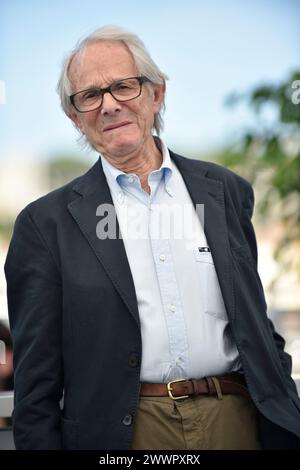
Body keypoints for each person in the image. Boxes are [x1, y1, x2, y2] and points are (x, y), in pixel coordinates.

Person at [4, 25, 300, 450]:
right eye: (89, 96)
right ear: (75, 117)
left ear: (156, 94)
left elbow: (255, 321)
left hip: (237, 419)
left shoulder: (225, 192)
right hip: (124, 434)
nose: (109, 105)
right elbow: (35, 380)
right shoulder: (44, 225)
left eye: (124, 87)